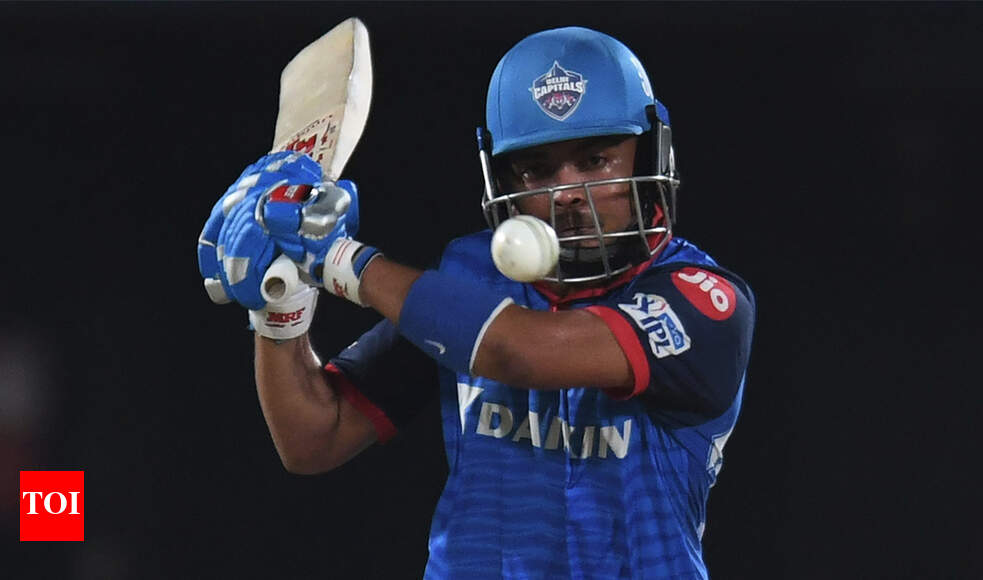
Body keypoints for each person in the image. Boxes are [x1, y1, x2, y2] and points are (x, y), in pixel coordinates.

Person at [197, 26, 755, 579]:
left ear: (649, 154)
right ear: (501, 177)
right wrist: (280, 306)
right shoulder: (469, 278)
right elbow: (314, 438)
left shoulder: (704, 302)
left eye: (595, 160)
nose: (565, 193)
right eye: (537, 169)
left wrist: (340, 261)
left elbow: (520, 351)